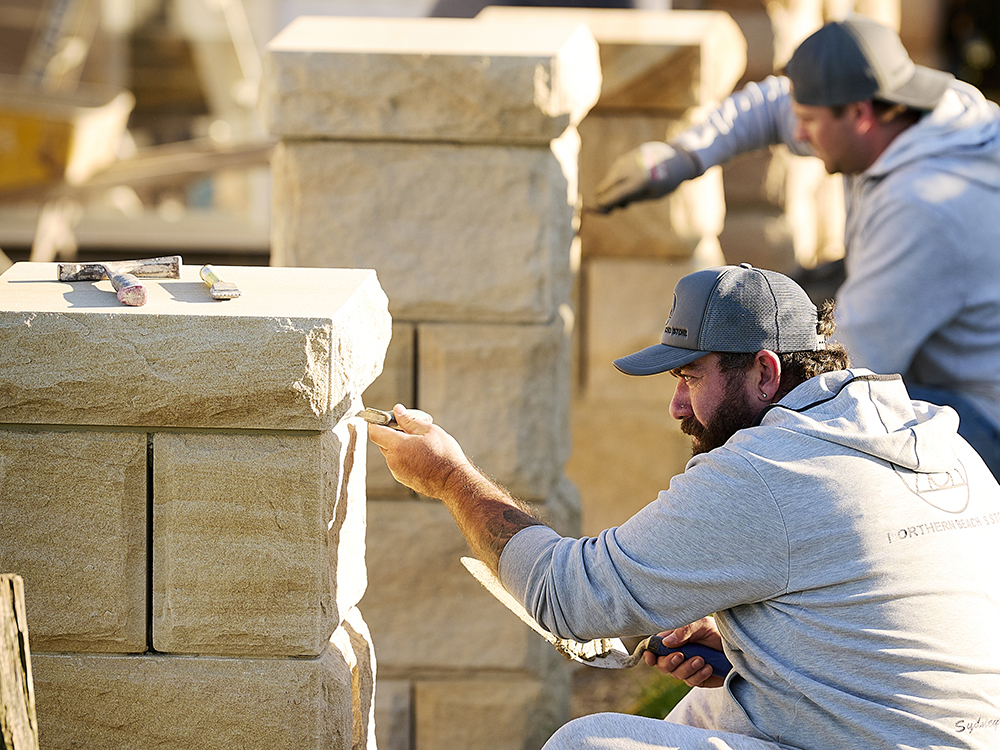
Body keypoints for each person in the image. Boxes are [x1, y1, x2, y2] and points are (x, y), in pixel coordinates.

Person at [369, 263, 1000, 750]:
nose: (676, 407)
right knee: (714, 709)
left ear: (764, 372)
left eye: (690, 377)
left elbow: (566, 595)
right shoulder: (941, 444)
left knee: (591, 744)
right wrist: (749, 647)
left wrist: (448, 476)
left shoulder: (768, 469)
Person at [593, 15, 1000, 479]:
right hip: (933, 349)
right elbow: (772, 107)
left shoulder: (927, 209)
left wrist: (753, 411)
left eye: (808, 122)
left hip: (980, 413)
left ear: (861, 114)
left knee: (785, 409)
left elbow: (855, 365)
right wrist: (687, 155)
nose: (797, 134)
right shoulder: (907, 112)